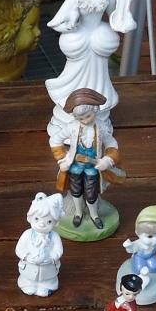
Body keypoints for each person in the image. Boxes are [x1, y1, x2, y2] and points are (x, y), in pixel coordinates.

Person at [44, 0, 137, 141]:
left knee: (99, 55)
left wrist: (123, 16)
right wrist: (69, 24)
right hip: (79, 38)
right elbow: (60, 19)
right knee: (77, 57)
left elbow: (115, 17)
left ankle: (97, 103)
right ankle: (71, 102)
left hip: (97, 38)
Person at [53, 88, 123, 230]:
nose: (85, 121)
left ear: (95, 110)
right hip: (75, 166)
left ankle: (94, 215)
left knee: (91, 194)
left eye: (88, 116)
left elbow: (111, 143)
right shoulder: (72, 127)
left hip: (92, 167)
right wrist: (62, 160)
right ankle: (78, 213)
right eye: (80, 118)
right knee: (76, 191)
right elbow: (55, 140)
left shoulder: (101, 127)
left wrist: (107, 160)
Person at [15, 192, 64, 296]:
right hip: (29, 266)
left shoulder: (54, 236)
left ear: (56, 223)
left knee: (48, 279)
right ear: (29, 218)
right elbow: (19, 249)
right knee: (28, 278)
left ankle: (45, 286)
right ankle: (29, 285)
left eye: (49, 221)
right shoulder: (27, 234)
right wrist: (26, 257)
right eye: (37, 219)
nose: (42, 224)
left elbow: (59, 250)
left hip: (47, 268)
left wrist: (52, 258)